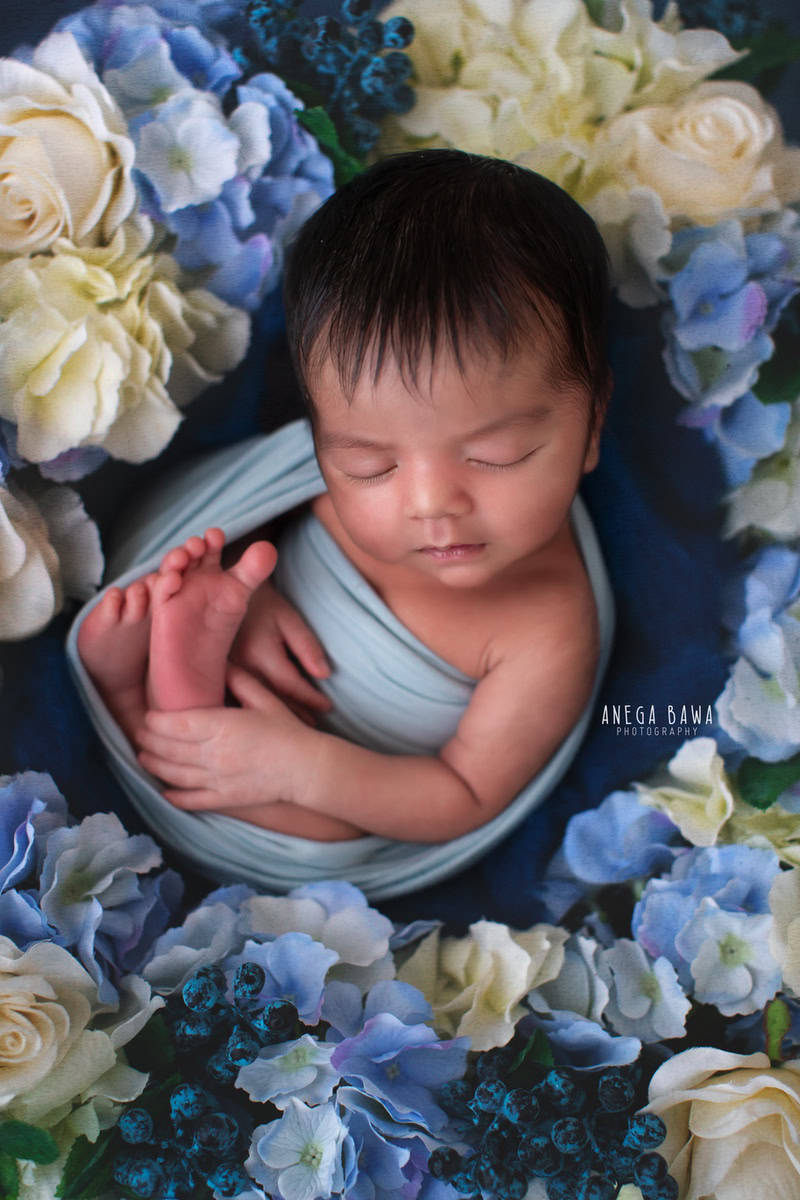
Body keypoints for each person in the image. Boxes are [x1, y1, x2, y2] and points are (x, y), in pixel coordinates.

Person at [76, 149, 613, 845]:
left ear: (593, 424)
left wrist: (303, 768)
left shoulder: (550, 627)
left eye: (494, 455)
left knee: (327, 837)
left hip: (341, 783)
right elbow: (254, 512)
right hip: (253, 644)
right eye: (369, 464)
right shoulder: (318, 472)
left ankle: (137, 699)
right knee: (190, 563)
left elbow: (465, 794)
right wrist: (248, 590)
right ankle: (171, 660)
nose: (429, 502)